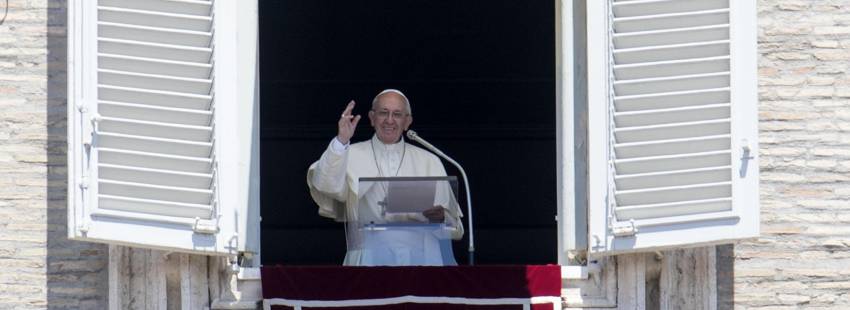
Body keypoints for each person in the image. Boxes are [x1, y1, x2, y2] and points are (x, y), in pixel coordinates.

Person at [307, 89, 464, 266]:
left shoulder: (429, 161)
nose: (389, 120)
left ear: (407, 122)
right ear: (372, 118)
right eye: (383, 113)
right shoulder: (349, 154)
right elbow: (326, 185)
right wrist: (341, 140)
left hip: (422, 260)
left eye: (397, 114)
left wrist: (441, 218)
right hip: (367, 259)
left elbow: (456, 229)